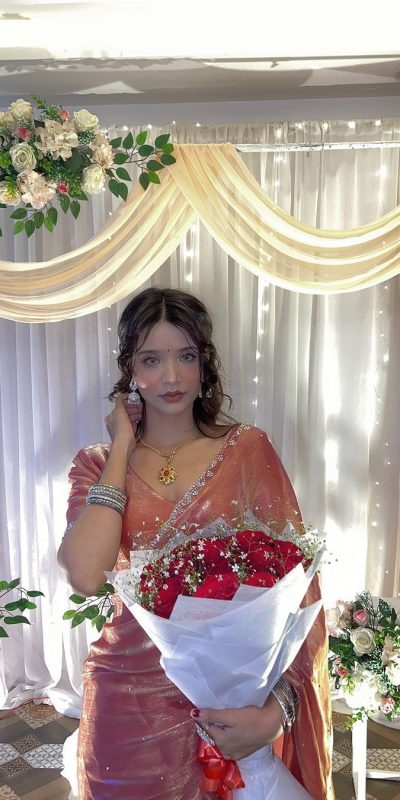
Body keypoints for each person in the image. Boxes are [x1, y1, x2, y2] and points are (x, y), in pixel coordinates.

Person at [58, 287, 334, 800]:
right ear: (129, 369)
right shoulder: (96, 464)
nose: (171, 376)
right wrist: (121, 447)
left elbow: (301, 588)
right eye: (151, 360)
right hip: (127, 700)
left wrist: (276, 711)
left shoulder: (246, 449)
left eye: (185, 356)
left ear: (205, 362)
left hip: (232, 703)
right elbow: (86, 575)